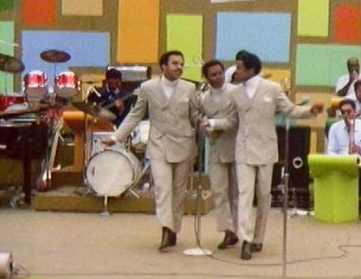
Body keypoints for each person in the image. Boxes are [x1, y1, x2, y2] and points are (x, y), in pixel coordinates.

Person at [204, 52, 324, 260]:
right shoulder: (236, 93)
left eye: (240, 68)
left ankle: (259, 237)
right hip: (243, 149)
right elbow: (231, 121)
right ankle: (246, 239)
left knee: (264, 194)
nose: (236, 71)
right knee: (244, 195)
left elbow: (290, 110)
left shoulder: (273, 88)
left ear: (251, 69)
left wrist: (310, 110)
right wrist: (212, 123)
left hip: (266, 149)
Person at [104, 51, 198, 252]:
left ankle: (174, 228)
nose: (179, 67)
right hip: (158, 144)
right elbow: (135, 114)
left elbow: (195, 115)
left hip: (183, 143)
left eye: (181, 64)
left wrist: (207, 124)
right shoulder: (148, 87)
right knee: (162, 189)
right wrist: (116, 137)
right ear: (163, 66)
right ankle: (165, 227)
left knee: (178, 192)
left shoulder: (190, 88)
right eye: (174, 63)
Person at [199, 60, 239, 250]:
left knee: (236, 193)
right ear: (207, 77)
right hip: (216, 147)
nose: (218, 77)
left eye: (220, 73)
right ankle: (227, 230)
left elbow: (233, 121)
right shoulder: (203, 98)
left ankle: (238, 230)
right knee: (219, 191)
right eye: (213, 74)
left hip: (237, 147)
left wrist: (213, 124)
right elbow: (202, 122)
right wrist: (208, 128)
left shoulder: (235, 92)